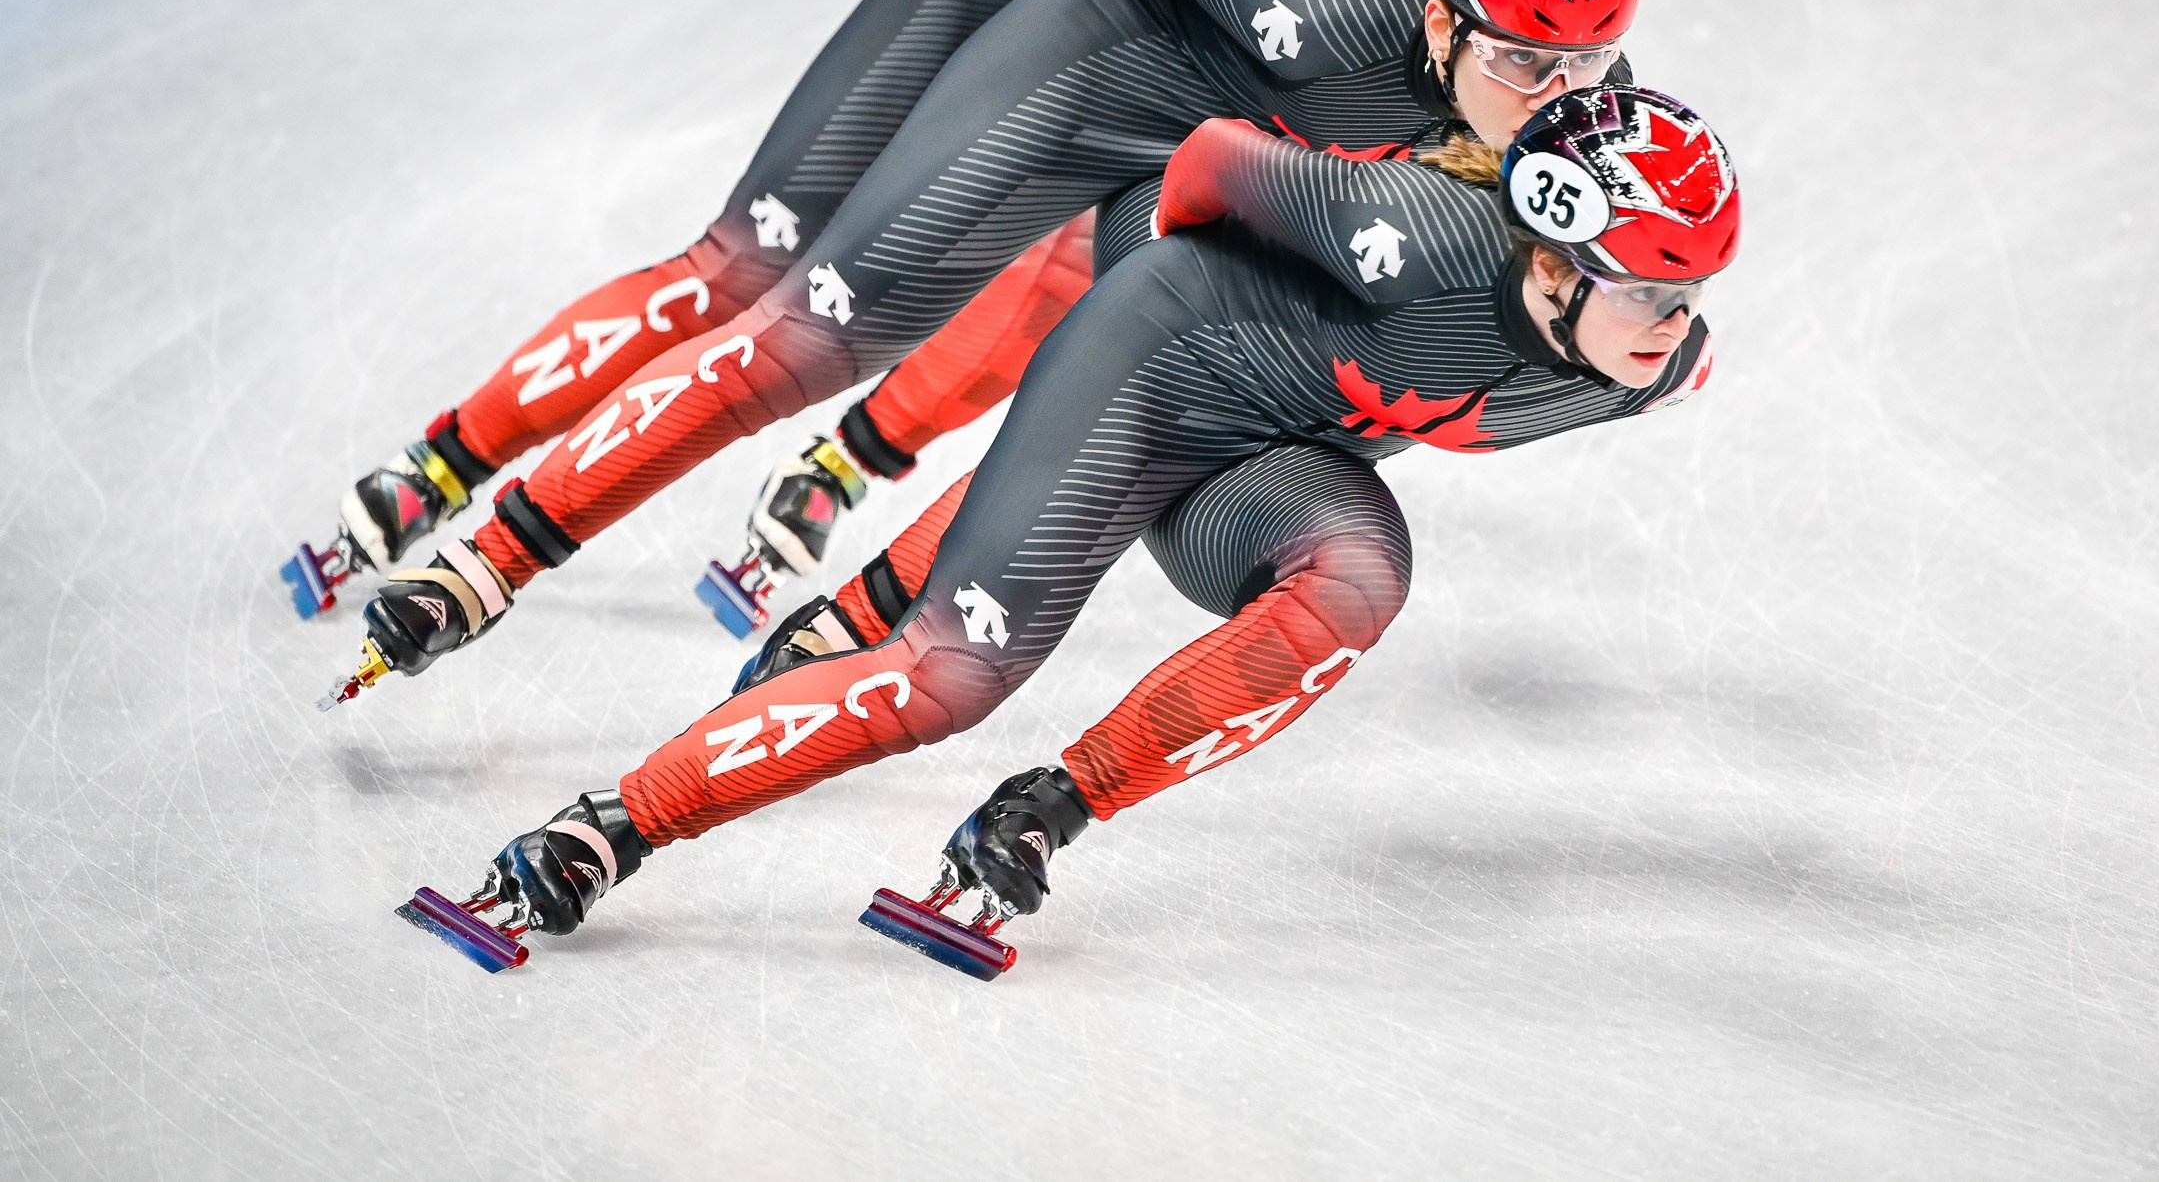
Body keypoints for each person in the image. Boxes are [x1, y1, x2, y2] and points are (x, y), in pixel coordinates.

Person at [399, 80, 1738, 975]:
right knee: (947, 679)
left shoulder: (1652, 364)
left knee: (1360, 576)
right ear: (1551, 260)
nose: (1675, 322)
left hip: (1266, 455)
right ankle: (612, 824)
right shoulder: (1419, 232)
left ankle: (1047, 804)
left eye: (1689, 291)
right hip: (1150, 368)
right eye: (1653, 290)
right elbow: (1202, 168)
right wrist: (1179, 302)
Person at [331, 0, 1657, 707]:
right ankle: (488, 557)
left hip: (1203, 178)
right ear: (1439, 17)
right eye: (1524, 60)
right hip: (1072, 97)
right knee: (807, 335)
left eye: (1588, 63)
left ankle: (858, 606)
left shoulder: (1574, 141)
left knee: (1165, 407)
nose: (1557, 92)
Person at [281, 0, 1418, 627]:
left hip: (1092, 87)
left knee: (1094, 278)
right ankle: (447, 460)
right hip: (962, 16)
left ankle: (852, 456)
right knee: (739, 272)